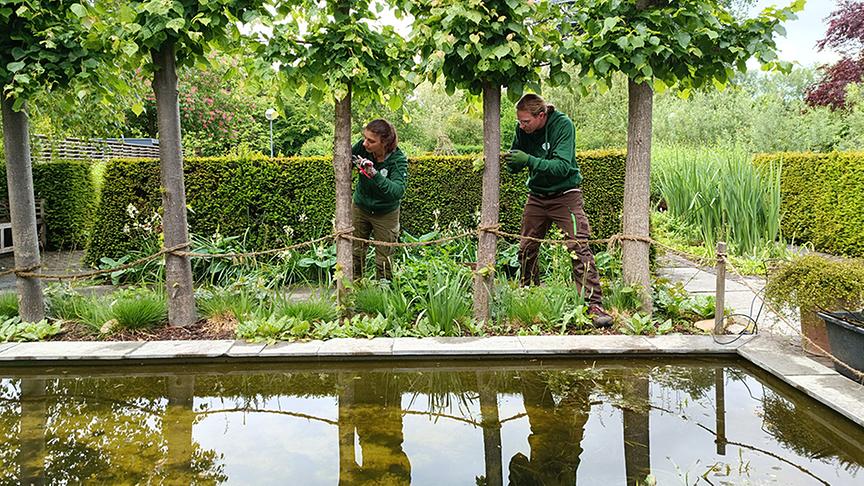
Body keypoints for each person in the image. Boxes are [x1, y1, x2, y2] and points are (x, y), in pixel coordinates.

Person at [502, 93, 613, 327]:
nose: (521, 126)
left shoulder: (563, 125)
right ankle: (529, 294)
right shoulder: (522, 130)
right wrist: (513, 162)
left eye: (526, 122)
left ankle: (593, 305)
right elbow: (516, 161)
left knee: (578, 247)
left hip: (566, 195)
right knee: (526, 248)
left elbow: (563, 166)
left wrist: (529, 160)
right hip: (537, 195)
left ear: (541, 115)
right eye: (519, 122)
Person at [351, 119, 408, 281]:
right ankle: (354, 288)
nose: (364, 143)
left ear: (385, 143)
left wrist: (374, 174)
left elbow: (397, 191)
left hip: (386, 213)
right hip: (361, 207)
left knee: (384, 258)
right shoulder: (363, 148)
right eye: (365, 138)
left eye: (371, 141)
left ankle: (382, 294)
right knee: (355, 252)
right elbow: (346, 158)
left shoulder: (398, 160)